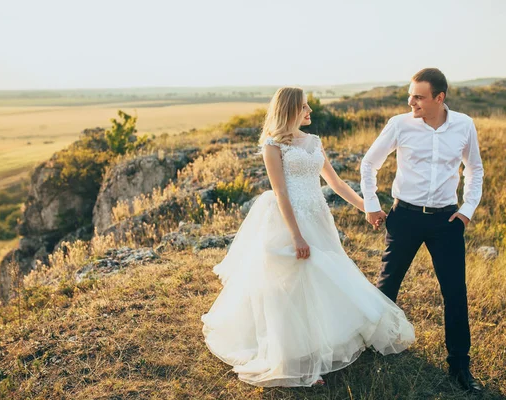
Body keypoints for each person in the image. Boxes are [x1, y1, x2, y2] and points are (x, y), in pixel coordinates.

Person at [201, 87, 415, 387]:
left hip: (318, 216)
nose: (310, 111)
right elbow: (281, 193)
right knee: (289, 286)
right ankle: (292, 362)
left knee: (321, 281)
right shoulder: (272, 145)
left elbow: (336, 182)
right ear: (290, 110)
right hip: (288, 221)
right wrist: (297, 237)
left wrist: (369, 208)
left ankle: (317, 345)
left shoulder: (314, 141)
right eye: (304, 106)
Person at [360, 68, 484, 394]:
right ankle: (370, 350)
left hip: (446, 222)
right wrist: (371, 204)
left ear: (439, 98)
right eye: (410, 94)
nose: (410, 101)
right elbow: (368, 164)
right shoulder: (399, 124)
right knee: (386, 288)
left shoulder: (464, 125)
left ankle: (459, 366)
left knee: (455, 294)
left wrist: (466, 211)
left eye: (418, 96)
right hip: (406, 218)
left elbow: (475, 169)